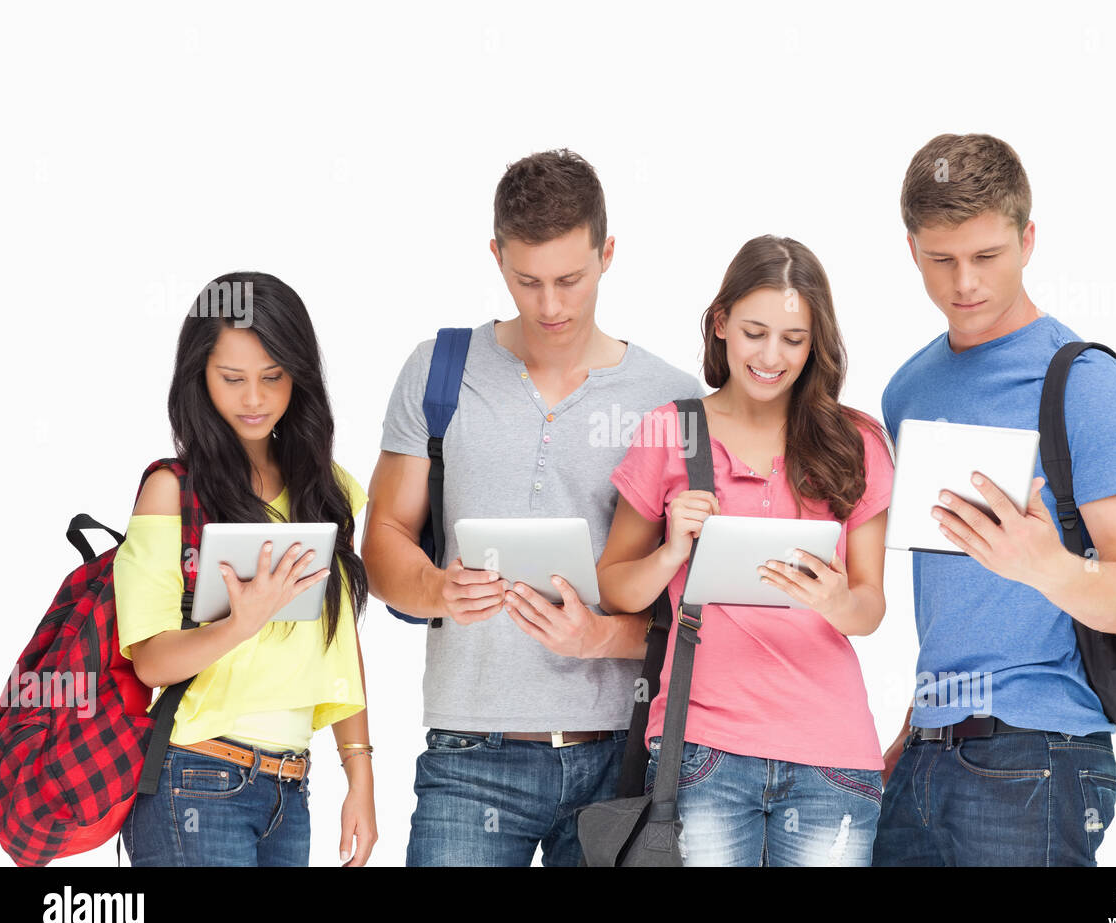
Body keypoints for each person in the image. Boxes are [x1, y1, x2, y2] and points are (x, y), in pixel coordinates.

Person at [365, 149, 704, 867]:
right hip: (469, 756)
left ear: (607, 254)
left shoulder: (671, 399)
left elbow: (692, 604)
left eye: (570, 280)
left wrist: (600, 639)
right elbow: (385, 536)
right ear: (496, 256)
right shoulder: (439, 369)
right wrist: (435, 588)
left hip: (621, 757)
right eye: (527, 281)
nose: (551, 306)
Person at [873, 133, 1116, 866]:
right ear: (912, 249)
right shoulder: (907, 391)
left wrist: (1047, 565)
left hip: (1040, 756)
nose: (963, 282)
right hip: (928, 754)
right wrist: (913, 735)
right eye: (941, 260)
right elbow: (953, 596)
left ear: (1027, 240)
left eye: (986, 257)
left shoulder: (1084, 383)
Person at [596, 235, 894, 866]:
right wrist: (672, 549)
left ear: (816, 344)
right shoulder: (672, 431)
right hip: (702, 751)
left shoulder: (856, 441)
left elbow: (870, 610)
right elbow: (615, 587)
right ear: (721, 323)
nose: (771, 356)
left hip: (832, 756)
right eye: (755, 332)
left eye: (793, 339)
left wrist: (839, 599)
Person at [116, 272, 377, 867]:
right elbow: (151, 659)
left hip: (291, 788)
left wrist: (359, 775)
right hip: (196, 778)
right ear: (199, 377)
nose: (254, 399)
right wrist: (240, 622)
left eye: (273, 378)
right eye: (231, 379)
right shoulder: (170, 491)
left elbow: (341, 643)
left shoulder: (329, 492)